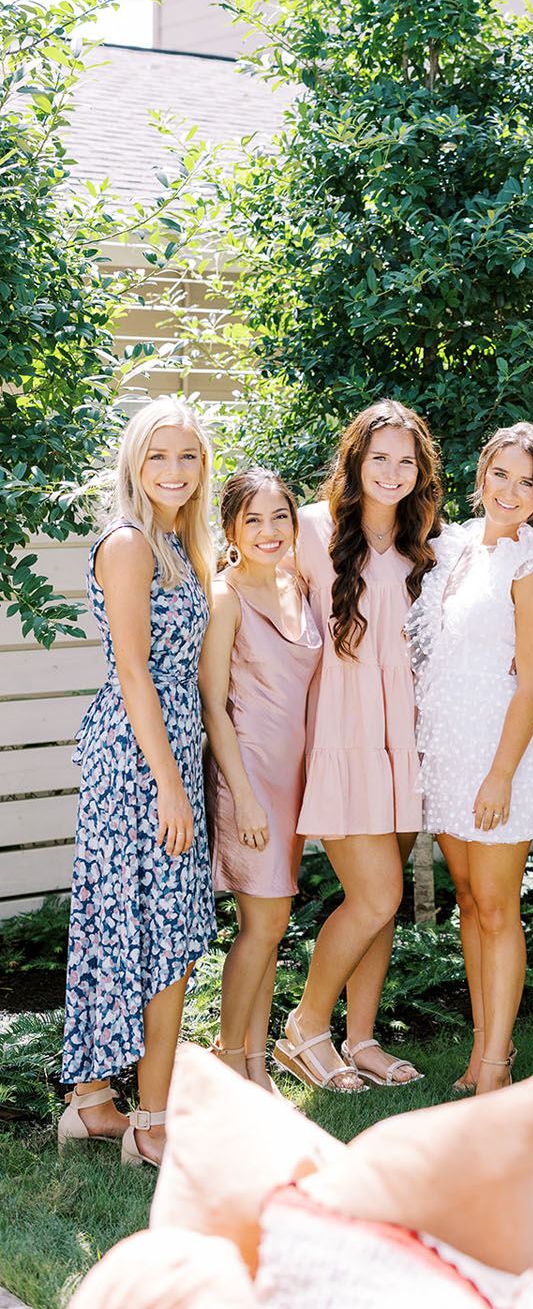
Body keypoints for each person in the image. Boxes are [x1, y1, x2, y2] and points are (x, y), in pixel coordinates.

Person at [58, 398, 217, 1166]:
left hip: (164, 748)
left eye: (188, 455)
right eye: (158, 455)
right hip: (138, 760)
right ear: (134, 463)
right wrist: (171, 786)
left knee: (132, 926)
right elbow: (132, 671)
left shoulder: (178, 544)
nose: (174, 470)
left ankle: (93, 1105)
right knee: (164, 936)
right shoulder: (129, 545)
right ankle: (149, 1126)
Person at [274, 401, 441, 1091]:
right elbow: (255, 601)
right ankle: (306, 1027)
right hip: (341, 735)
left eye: (406, 461)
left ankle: (362, 1038)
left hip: (404, 738)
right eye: (379, 458)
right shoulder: (311, 530)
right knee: (376, 894)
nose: (392, 472)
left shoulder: (425, 542)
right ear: (355, 460)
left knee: (386, 899)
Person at [408, 424, 533, 1094]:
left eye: (526, 482)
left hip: (501, 752)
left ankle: (498, 1065)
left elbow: (532, 685)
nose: (510, 490)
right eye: (500, 473)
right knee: (469, 900)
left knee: (499, 906)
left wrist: (501, 775)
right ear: (481, 476)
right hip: (448, 746)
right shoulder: (451, 546)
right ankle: (480, 1050)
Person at [200, 469, 322, 1091]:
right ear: (230, 529)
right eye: (253, 519)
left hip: (294, 781)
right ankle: (229, 1061)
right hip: (247, 779)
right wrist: (243, 798)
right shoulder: (225, 597)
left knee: (271, 927)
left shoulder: (298, 582)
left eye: (280, 517)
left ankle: (254, 1063)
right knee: (263, 926)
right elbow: (213, 705)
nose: (269, 530)